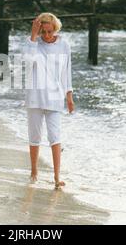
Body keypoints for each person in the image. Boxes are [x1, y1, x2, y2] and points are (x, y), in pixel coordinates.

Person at [23, 13, 74, 189]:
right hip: (35, 96)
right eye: (43, 32)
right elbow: (27, 62)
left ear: (55, 29)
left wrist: (69, 95)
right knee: (35, 137)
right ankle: (34, 172)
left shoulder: (64, 45)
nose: (46, 35)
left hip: (55, 97)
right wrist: (33, 35)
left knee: (55, 136)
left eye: (49, 32)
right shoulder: (33, 43)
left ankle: (57, 177)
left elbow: (66, 72)